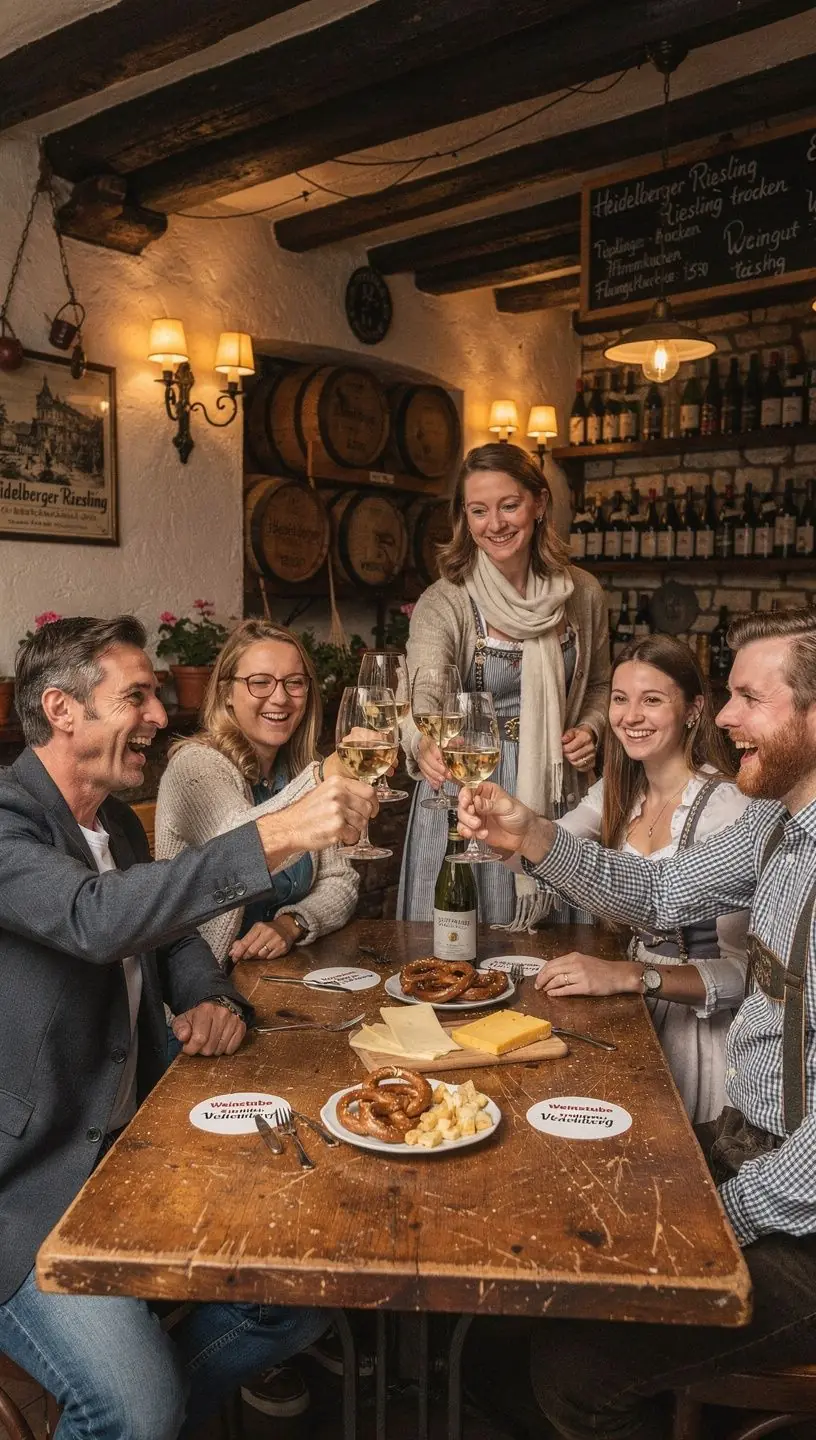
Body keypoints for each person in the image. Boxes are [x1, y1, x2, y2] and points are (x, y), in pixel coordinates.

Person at [0, 615, 377, 1440]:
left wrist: (213, 997)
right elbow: (97, 919)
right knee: (135, 1407)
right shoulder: (4, 821)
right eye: (136, 697)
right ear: (61, 709)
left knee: (304, 1286)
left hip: (136, 1144)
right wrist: (283, 830)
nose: (160, 715)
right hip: (27, 1187)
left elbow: (169, 937)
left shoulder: (115, 822)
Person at [458, 607, 816, 1440]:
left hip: (800, 1218)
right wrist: (533, 835)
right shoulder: (777, 822)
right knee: (530, 1283)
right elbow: (658, 893)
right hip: (746, 1143)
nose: (726, 718)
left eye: (749, 699)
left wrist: (722, 1215)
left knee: (571, 1372)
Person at [536, 634, 749, 1122]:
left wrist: (629, 975)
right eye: (620, 698)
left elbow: (745, 975)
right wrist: (500, 828)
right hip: (634, 1011)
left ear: (693, 710)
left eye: (651, 700)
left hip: (701, 1034)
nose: (630, 716)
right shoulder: (618, 791)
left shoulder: (726, 807)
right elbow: (549, 849)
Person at [398, 442, 610, 931]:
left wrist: (592, 729)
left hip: (557, 786)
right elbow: (421, 698)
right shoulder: (445, 601)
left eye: (509, 505)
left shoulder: (582, 593)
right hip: (469, 791)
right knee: (464, 943)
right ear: (464, 518)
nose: (494, 523)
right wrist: (423, 740)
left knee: (560, 951)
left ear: (539, 503)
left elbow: (600, 684)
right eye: (479, 510)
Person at [156, 619, 358, 968]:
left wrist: (292, 923)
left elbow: (341, 880)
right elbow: (239, 843)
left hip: (285, 972)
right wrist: (323, 777)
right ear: (226, 694)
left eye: (294, 682)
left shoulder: (298, 770)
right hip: (206, 985)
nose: (280, 697)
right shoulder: (194, 766)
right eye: (260, 682)